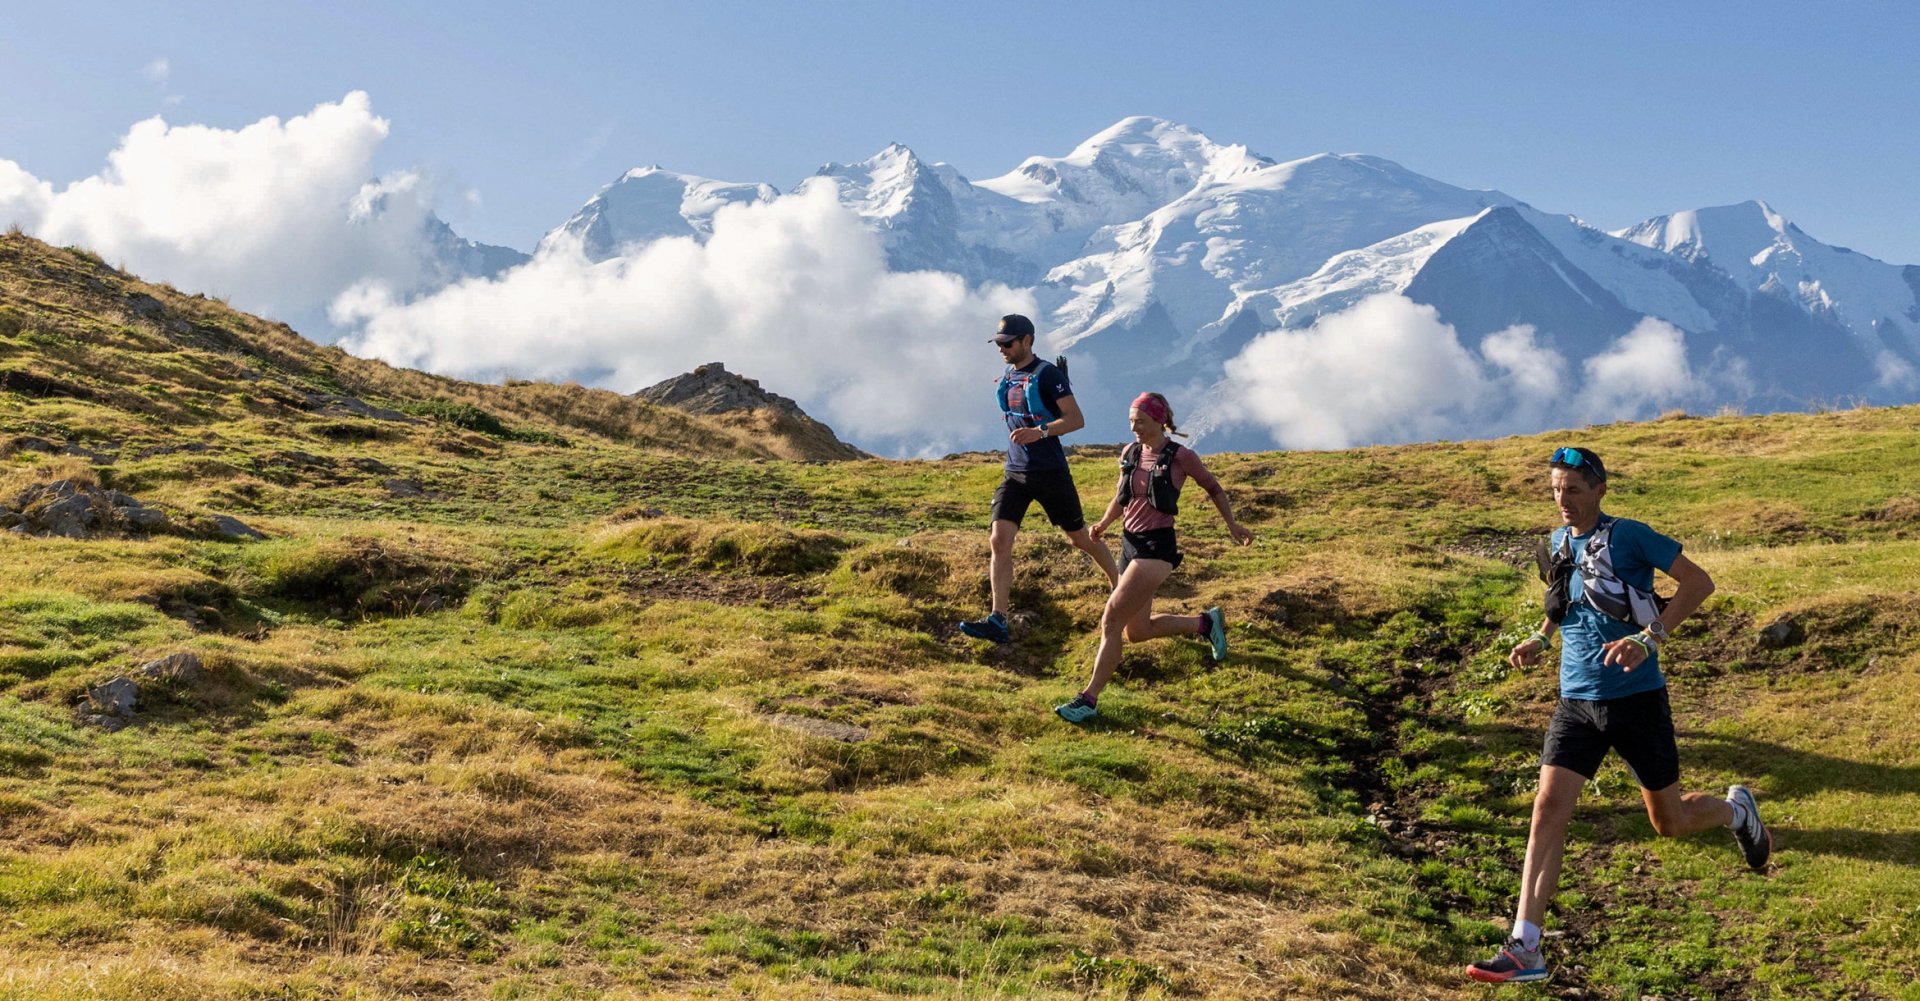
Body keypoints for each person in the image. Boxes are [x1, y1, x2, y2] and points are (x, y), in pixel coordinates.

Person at [1467, 446, 1772, 985]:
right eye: (1556, 490)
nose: (1563, 500)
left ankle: (1735, 813)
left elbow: (1699, 583)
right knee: (1547, 810)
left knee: (1669, 821)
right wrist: (1540, 638)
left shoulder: (1629, 535)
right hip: (1575, 702)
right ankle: (1526, 947)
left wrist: (1649, 637)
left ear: (1600, 489)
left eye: (1574, 490)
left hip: (1636, 702)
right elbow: (1563, 602)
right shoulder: (1557, 543)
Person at [1054, 392, 1253, 723]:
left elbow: (1213, 488)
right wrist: (1104, 523)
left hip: (1157, 547)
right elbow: (1123, 496)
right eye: (1131, 420)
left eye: (1141, 422)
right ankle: (1205, 623)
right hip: (1130, 543)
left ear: (1160, 422)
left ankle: (1088, 699)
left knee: (1112, 618)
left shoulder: (1180, 456)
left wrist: (1232, 524)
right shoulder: (1131, 452)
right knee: (1138, 631)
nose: (1134, 427)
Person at [957, 315, 1120, 644]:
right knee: (999, 540)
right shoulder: (1011, 375)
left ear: (1027, 341)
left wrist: (1040, 432)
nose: (1002, 349)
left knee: (1080, 538)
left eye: (1008, 343)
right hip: (1015, 472)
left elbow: (1076, 420)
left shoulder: (1049, 375)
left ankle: (1122, 587)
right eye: (999, 343)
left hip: (1050, 473)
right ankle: (998, 618)